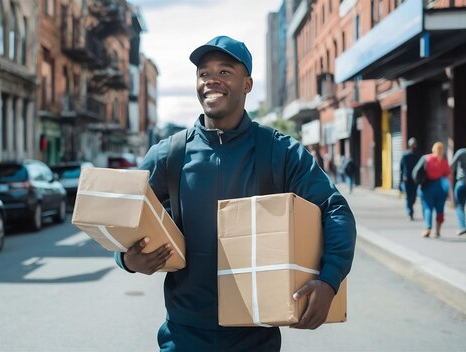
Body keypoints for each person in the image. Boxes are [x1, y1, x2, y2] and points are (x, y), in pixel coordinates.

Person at [113, 36, 356, 351]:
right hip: (184, 335)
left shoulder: (280, 152)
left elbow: (335, 210)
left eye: (225, 71)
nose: (211, 79)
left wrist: (329, 280)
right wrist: (128, 260)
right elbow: (124, 220)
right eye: (204, 73)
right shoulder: (168, 155)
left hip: (254, 335)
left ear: (248, 84)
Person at [414, 142, 451, 238]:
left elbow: (415, 171)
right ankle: (438, 231)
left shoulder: (426, 158)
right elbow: (447, 173)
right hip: (440, 187)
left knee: (427, 208)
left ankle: (428, 228)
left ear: (433, 149)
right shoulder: (443, 160)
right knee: (440, 209)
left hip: (427, 186)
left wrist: (418, 182)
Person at [400, 137, 422, 220]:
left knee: (413, 196)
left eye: (414, 144)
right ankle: (410, 212)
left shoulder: (418, 155)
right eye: (412, 144)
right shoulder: (405, 155)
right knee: (409, 196)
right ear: (409, 145)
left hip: (415, 179)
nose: (413, 145)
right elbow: (401, 167)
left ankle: (410, 208)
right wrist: (402, 178)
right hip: (407, 179)